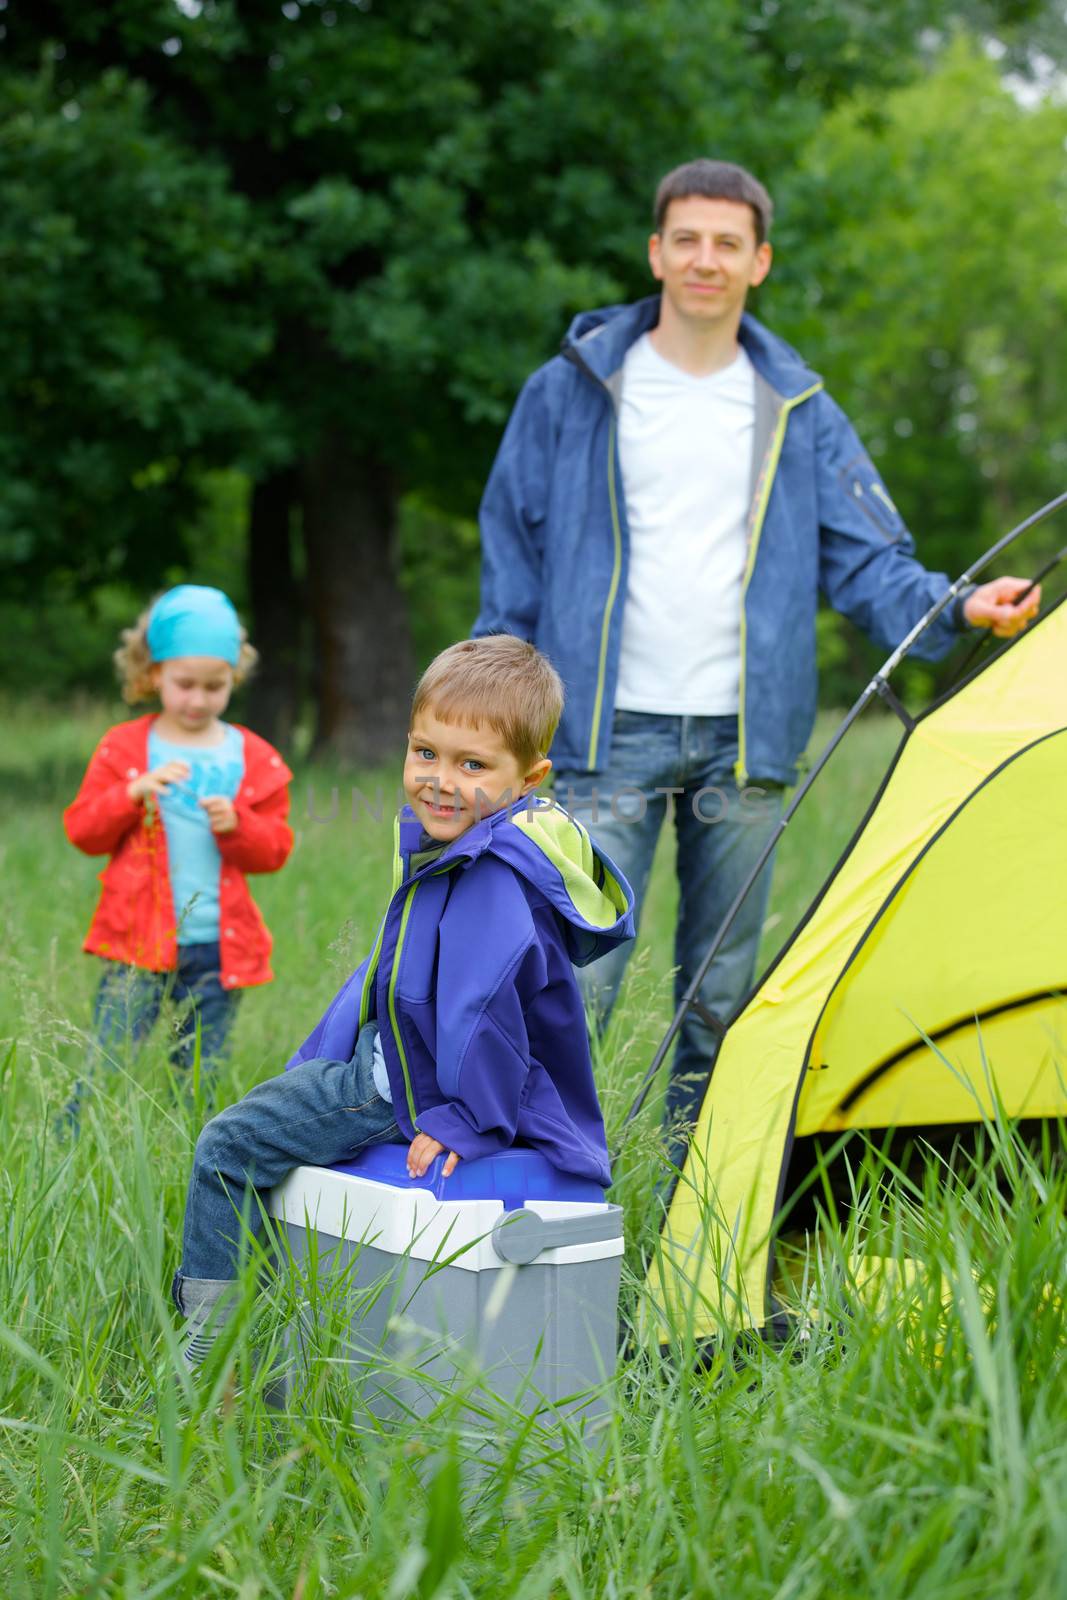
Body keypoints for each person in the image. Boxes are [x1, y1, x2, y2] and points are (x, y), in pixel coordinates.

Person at [475, 157, 1041, 1155]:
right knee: (574, 975)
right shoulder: (568, 391)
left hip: (747, 744)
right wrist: (492, 706)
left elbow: (870, 563)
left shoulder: (796, 407)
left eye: (725, 243)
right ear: (654, 251)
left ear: (758, 261)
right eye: (684, 239)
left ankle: (691, 1186)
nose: (704, 259)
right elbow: (509, 555)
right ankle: (548, 1177)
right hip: (597, 735)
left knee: (716, 991)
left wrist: (958, 606)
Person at [170, 634, 634, 1369]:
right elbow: (400, 978)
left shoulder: (491, 876)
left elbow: (485, 1016)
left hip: (401, 1085)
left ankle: (207, 1357)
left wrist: (465, 1121)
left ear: (528, 776)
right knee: (279, 1117)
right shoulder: (470, 843)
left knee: (227, 1148)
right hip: (412, 1060)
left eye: (471, 764)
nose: (439, 780)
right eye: (425, 753)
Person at [63, 585, 293, 1121]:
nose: (198, 699)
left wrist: (238, 826)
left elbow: (276, 848)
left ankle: (190, 1154)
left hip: (218, 947)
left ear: (233, 676)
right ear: (152, 674)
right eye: (183, 684)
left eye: (215, 686)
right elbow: (82, 831)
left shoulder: (253, 757)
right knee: (107, 1061)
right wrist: (131, 794)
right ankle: (73, 1137)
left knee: (199, 1074)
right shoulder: (124, 749)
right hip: (136, 943)